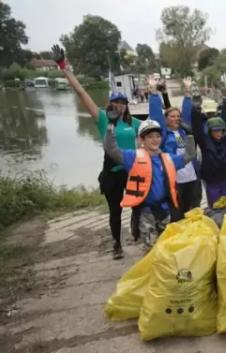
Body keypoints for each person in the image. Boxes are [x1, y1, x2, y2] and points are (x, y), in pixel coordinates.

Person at [51, 45, 141, 260]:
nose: (119, 106)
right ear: (110, 105)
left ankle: (137, 227)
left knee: (139, 205)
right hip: (112, 173)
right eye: (116, 103)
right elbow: (81, 93)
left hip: (132, 171)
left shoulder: (134, 123)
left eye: (123, 103)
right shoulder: (102, 119)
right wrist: (64, 67)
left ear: (127, 106)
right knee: (115, 211)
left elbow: (154, 131)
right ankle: (117, 244)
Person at [103, 119, 196, 250]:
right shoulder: (133, 157)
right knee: (150, 249)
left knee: (167, 247)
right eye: (150, 136)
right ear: (142, 140)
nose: (155, 139)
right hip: (145, 213)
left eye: (158, 136)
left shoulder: (169, 158)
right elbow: (111, 150)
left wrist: (190, 135)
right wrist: (110, 125)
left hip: (164, 211)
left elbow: (190, 155)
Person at [148, 76, 199, 221]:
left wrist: (187, 91)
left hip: (190, 176)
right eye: (172, 116)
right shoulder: (163, 134)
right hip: (174, 179)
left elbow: (188, 113)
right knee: (176, 211)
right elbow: (156, 115)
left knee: (190, 209)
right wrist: (153, 92)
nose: (176, 118)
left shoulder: (184, 131)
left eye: (178, 116)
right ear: (166, 119)